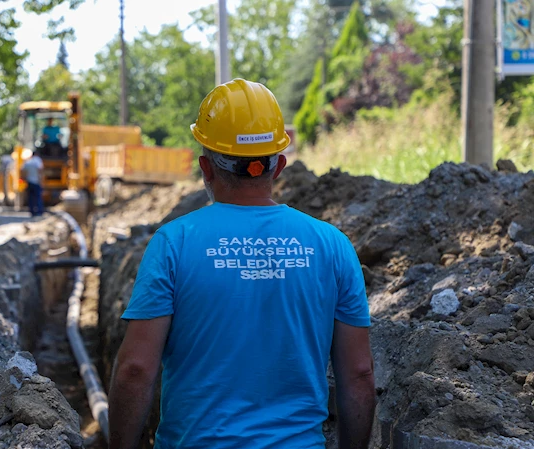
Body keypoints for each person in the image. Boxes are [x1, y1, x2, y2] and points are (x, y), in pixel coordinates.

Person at [108, 79, 375, 449]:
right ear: (278, 165)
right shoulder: (333, 246)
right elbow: (359, 375)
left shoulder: (174, 244)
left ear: (206, 167)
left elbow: (135, 370)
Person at [21, 150, 44, 216]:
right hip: (36, 182)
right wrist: (41, 179)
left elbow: (22, 170)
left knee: (31, 197)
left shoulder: (28, 162)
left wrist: (24, 178)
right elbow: (40, 169)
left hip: (29, 182)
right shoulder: (38, 161)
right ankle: (39, 211)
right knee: (38, 197)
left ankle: (32, 211)